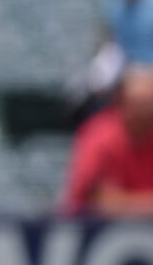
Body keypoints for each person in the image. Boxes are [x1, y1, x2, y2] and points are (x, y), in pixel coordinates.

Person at [61, 63, 153, 216]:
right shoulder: (100, 137)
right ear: (121, 102)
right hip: (87, 232)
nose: (145, 111)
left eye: (149, 104)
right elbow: (104, 203)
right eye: (139, 103)